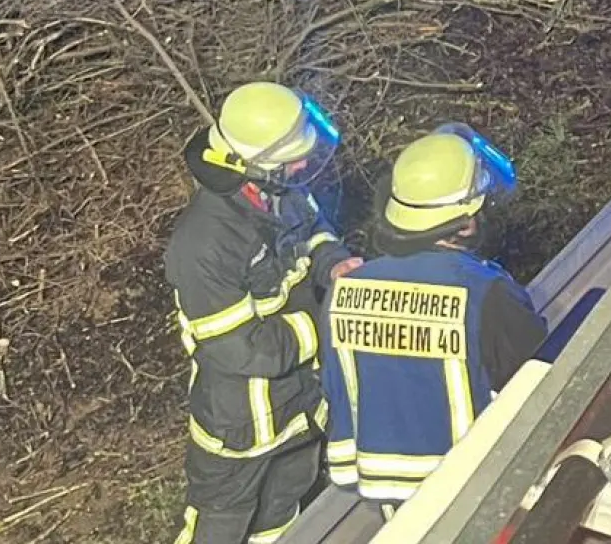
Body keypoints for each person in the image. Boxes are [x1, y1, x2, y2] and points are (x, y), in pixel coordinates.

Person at [165, 81, 363, 544]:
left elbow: (316, 232)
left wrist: (337, 265)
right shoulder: (204, 242)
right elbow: (239, 350)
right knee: (220, 529)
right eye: (294, 159)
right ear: (254, 164)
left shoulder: (280, 190)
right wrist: (328, 319)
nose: (303, 165)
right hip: (240, 428)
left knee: (281, 516)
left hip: (299, 406)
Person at [320, 124, 548, 509]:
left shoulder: (344, 290)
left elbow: (338, 391)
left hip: (388, 498)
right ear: (466, 222)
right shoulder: (486, 293)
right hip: (472, 493)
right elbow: (540, 385)